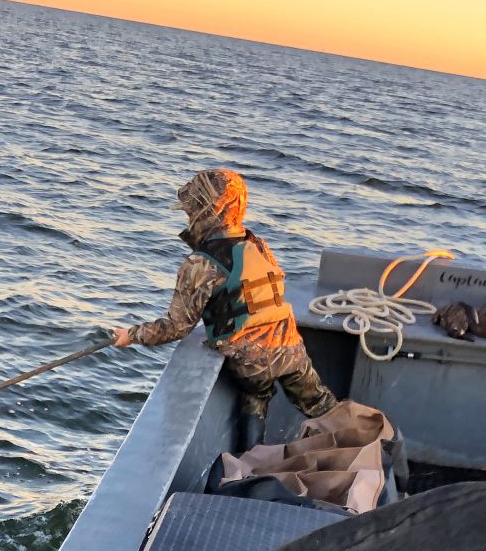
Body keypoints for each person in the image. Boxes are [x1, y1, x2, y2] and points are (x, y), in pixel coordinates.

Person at [113, 168, 336, 448]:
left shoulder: (199, 264)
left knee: (255, 394)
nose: (188, 215)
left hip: (251, 363)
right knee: (321, 404)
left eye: (191, 209)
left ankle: (247, 462)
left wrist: (131, 335)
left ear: (205, 211)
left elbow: (176, 327)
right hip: (292, 349)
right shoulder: (258, 243)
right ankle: (361, 444)